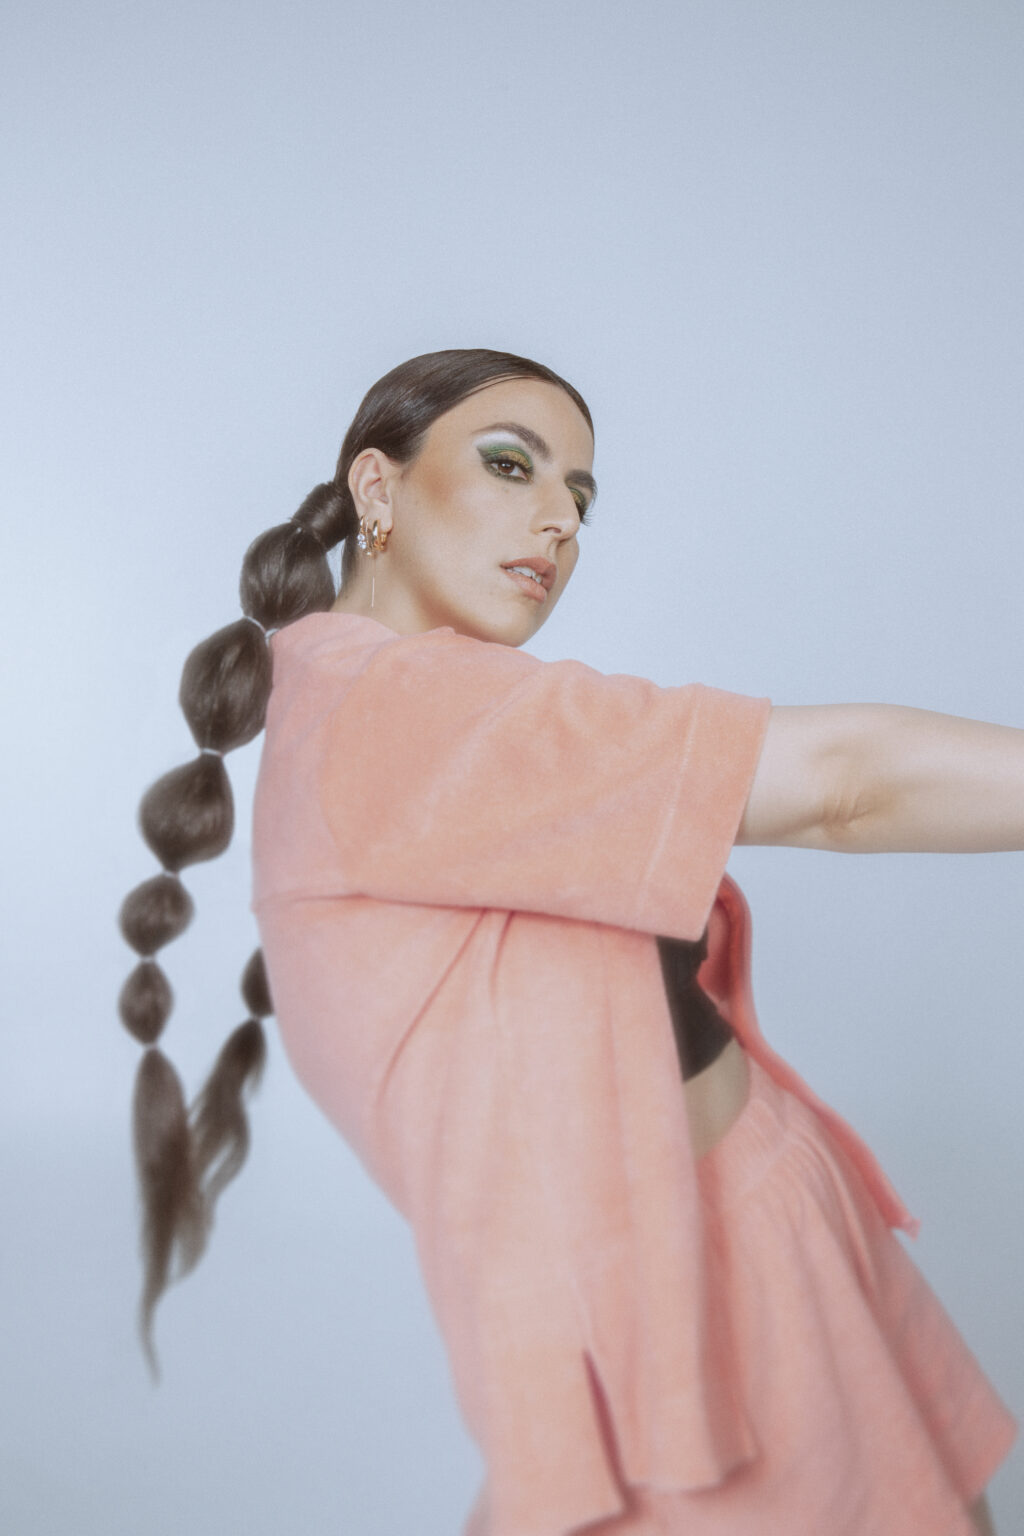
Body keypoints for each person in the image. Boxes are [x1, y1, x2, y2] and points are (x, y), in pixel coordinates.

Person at [118, 349, 1020, 1536]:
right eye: (512, 467)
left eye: (580, 498)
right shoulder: (399, 711)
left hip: (732, 1264)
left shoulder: (354, 702)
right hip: (701, 1316)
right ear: (377, 489)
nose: (559, 523)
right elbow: (845, 787)